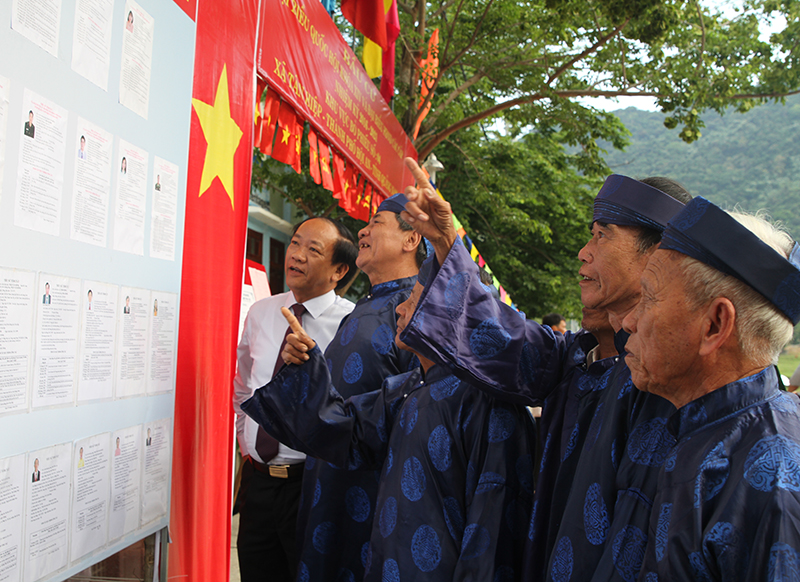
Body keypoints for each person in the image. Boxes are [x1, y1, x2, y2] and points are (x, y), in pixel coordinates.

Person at [399, 158, 693, 580]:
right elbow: (505, 338)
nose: (584, 252)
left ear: (658, 255)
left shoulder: (671, 377)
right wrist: (447, 241)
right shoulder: (575, 360)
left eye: (601, 236)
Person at [242, 261, 535, 581]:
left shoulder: (490, 405)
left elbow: (491, 539)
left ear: (451, 313)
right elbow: (345, 432)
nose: (400, 310)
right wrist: (305, 368)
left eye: (413, 301)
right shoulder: (409, 389)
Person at [620, 198, 800, 579]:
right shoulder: (704, 430)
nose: (629, 320)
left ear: (715, 325)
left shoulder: (775, 480)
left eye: (649, 297)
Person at [280, 194, 425, 582]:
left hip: (373, 493)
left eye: (377, 222)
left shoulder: (418, 312)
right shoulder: (366, 305)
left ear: (411, 240)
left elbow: (419, 402)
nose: (362, 229)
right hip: (327, 483)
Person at [233, 217, 358, 582]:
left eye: (313, 249)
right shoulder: (261, 312)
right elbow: (244, 387)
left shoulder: (350, 325)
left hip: (311, 487)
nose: (297, 255)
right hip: (258, 483)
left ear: (338, 270)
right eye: (295, 243)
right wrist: (246, 446)